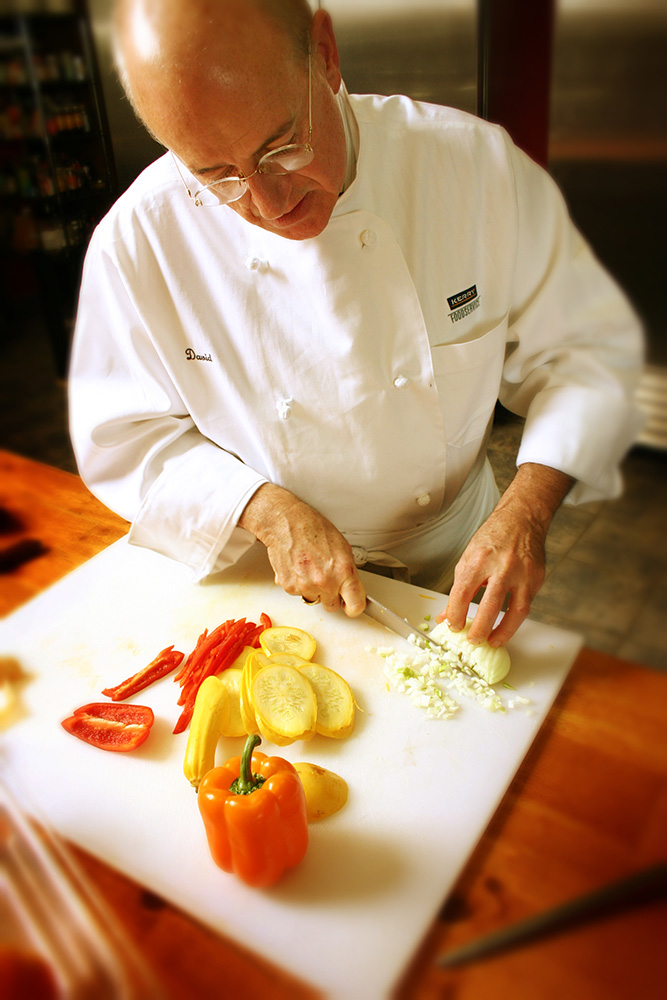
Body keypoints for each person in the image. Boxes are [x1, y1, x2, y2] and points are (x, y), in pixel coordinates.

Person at [68, 0, 644, 647]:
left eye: (281, 146)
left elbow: (582, 354)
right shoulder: (138, 239)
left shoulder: (472, 167)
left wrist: (526, 513)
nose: (268, 203)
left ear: (324, 50)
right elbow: (121, 438)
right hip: (278, 580)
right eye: (217, 177)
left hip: (458, 562)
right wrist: (264, 508)